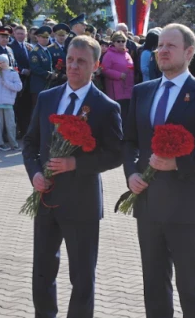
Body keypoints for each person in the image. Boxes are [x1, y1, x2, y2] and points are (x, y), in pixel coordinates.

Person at [122, 23, 195, 318]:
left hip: (186, 207)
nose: (163, 51)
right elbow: (130, 141)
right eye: (160, 46)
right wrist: (131, 173)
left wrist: (178, 163)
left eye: (171, 46)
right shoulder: (143, 91)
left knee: (190, 287)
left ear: (189, 51)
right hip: (148, 205)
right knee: (154, 285)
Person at [22, 35, 123, 318]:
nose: (74, 66)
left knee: (81, 277)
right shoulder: (47, 98)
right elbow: (29, 143)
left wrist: (75, 163)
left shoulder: (105, 107)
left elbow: (115, 154)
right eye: (70, 60)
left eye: (81, 61)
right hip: (45, 198)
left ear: (96, 65)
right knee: (42, 271)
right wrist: (34, 175)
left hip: (82, 204)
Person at [102, 31, 135, 122]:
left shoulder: (127, 54)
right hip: (116, 91)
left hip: (128, 90)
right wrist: (119, 75)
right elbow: (104, 70)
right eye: (118, 41)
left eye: (123, 41)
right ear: (113, 43)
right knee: (119, 117)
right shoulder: (109, 55)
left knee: (127, 116)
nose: (121, 43)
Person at [10, 24, 33, 138]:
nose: (20, 35)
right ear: (14, 34)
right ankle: (20, 130)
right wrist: (22, 70)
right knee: (18, 108)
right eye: (18, 33)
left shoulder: (29, 46)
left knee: (27, 106)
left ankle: (26, 130)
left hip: (29, 82)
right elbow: (11, 63)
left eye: (22, 33)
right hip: (17, 80)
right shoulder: (11, 47)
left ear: (26, 34)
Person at [29, 26, 57, 108]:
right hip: (38, 85)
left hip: (47, 85)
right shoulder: (35, 52)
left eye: (46, 37)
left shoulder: (46, 50)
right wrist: (48, 74)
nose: (45, 39)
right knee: (37, 108)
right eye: (42, 37)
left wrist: (53, 73)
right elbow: (35, 68)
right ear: (37, 37)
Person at [48, 24, 70, 88]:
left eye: (63, 35)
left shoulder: (70, 48)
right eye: (59, 35)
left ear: (66, 36)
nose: (61, 37)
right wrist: (60, 75)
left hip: (69, 79)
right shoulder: (50, 49)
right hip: (56, 81)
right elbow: (50, 65)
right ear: (55, 35)